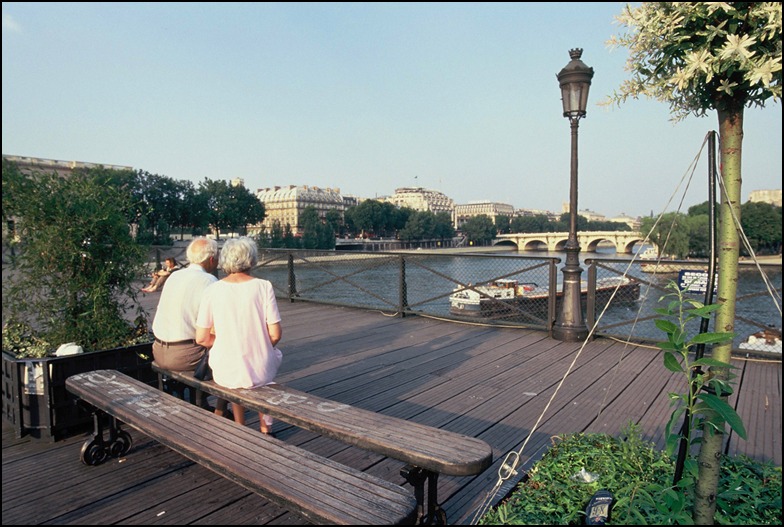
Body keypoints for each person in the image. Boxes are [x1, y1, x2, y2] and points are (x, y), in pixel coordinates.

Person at [195, 236, 283, 435]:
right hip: (260, 369)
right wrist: (258, 345)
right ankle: (265, 428)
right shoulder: (264, 286)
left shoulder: (212, 289)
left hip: (226, 370)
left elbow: (201, 338)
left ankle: (240, 425)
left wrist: (227, 343)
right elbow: (275, 334)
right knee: (265, 367)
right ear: (251, 259)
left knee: (234, 376)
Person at [151, 238, 226, 412]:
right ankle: (217, 409)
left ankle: (201, 400)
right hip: (184, 355)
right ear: (212, 259)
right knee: (228, 351)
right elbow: (217, 324)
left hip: (159, 349)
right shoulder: (209, 281)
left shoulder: (174, 275)